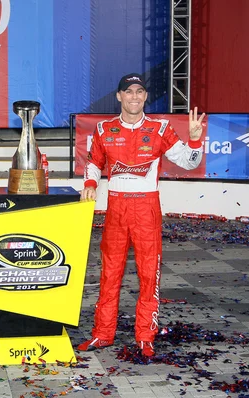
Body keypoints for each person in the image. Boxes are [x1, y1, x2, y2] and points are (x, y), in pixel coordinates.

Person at [77, 73, 205, 357]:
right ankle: (102, 333)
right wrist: (89, 184)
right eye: (128, 91)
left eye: (139, 91)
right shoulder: (103, 129)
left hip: (147, 209)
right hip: (116, 209)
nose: (134, 96)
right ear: (119, 96)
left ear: (145, 97)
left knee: (149, 275)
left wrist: (194, 141)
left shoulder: (160, 129)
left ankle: (146, 336)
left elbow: (188, 162)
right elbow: (94, 163)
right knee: (110, 273)